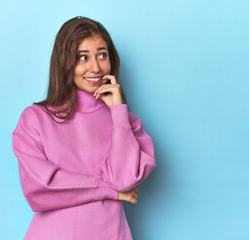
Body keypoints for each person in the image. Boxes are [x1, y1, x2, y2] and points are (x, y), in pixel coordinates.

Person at [12, 16, 156, 240]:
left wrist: (119, 113)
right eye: (82, 57)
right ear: (64, 62)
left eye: (102, 55)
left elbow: (124, 180)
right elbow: (41, 187)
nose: (95, 67)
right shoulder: (35, 119)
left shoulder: (127, 123)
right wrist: (109, 191)